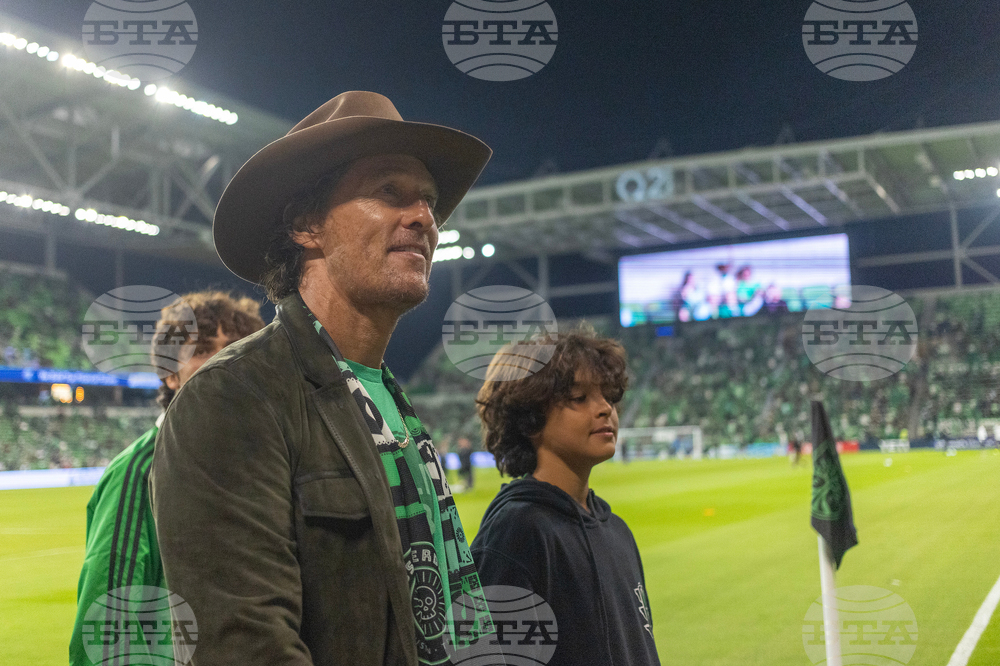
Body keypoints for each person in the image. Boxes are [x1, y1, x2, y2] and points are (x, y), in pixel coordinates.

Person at [150, 91, 494, 666]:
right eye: (390, 192)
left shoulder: (386, 396)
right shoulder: (232, 397)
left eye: (429, 202)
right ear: (307, 226)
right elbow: (243, 647)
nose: (424, 219)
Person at [69, 291, 265, 666]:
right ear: (170, 373)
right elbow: (106, 632)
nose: (224, 361)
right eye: (203, 349)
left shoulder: (262, 466)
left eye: (238, 349)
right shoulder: (140, 472)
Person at [471, 328, 661, 666]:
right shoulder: (518, 532)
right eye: (579, 398)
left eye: (610, 396)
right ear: (531, 418)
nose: (605, 409)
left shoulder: (617, 531)